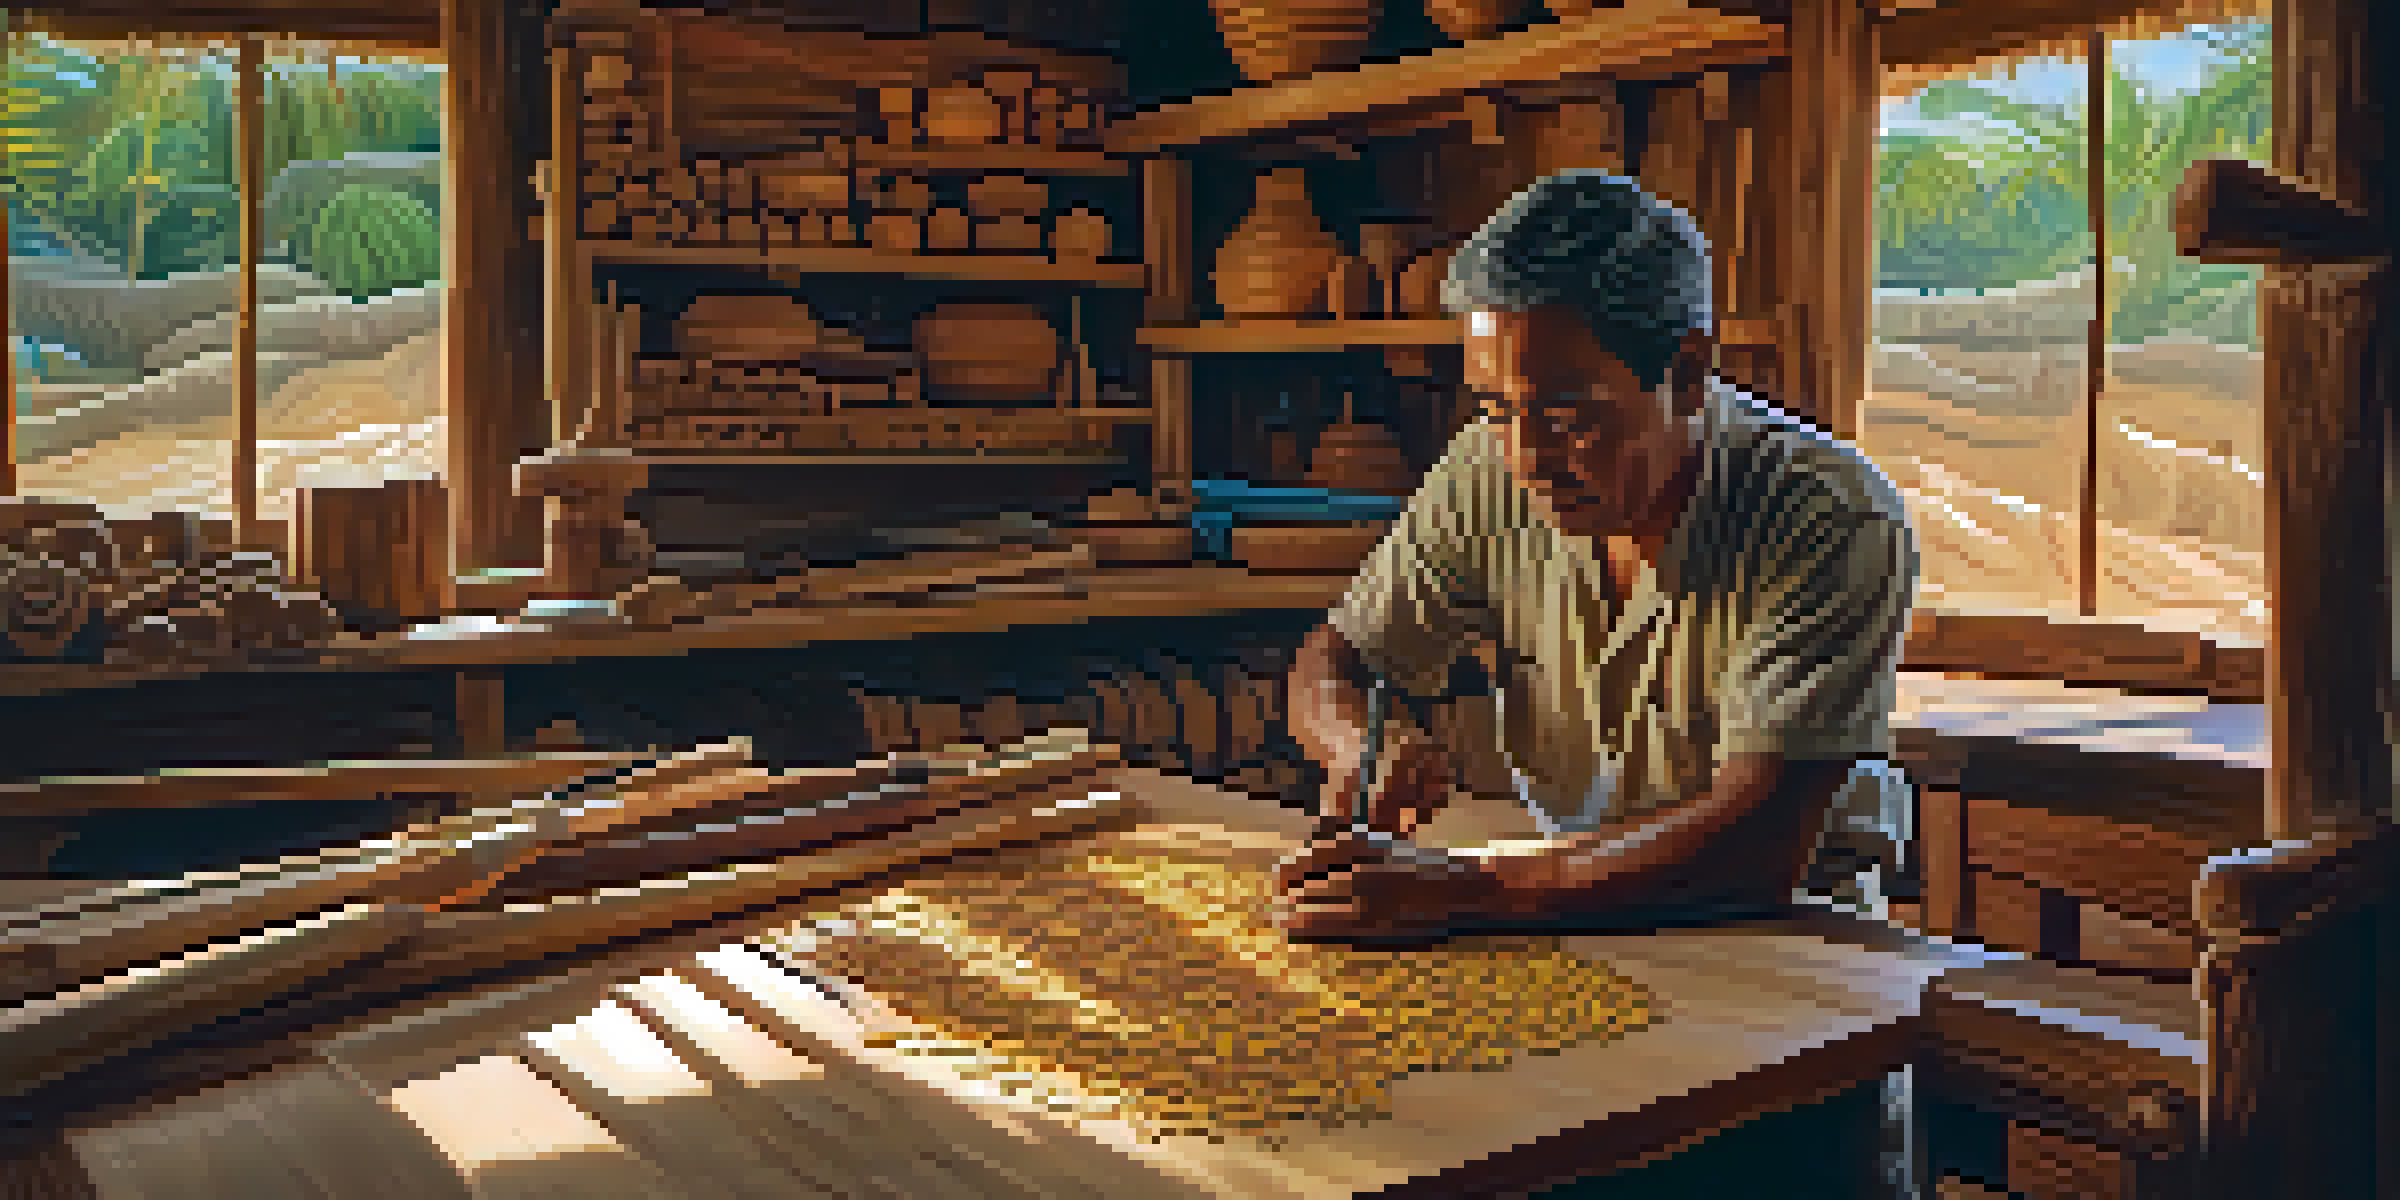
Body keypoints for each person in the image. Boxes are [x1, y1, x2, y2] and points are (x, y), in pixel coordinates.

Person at [1276, 171, 1920, 942]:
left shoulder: (1829, 515)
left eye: (1569, 418)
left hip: (1787, 936)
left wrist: (1473, 889)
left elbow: (1755, 847)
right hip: (1561, 907)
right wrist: (1360, 746)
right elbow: (1333, 663)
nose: (1527, 458)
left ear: (1685, 374)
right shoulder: (1484, 475)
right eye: (1497, 408)